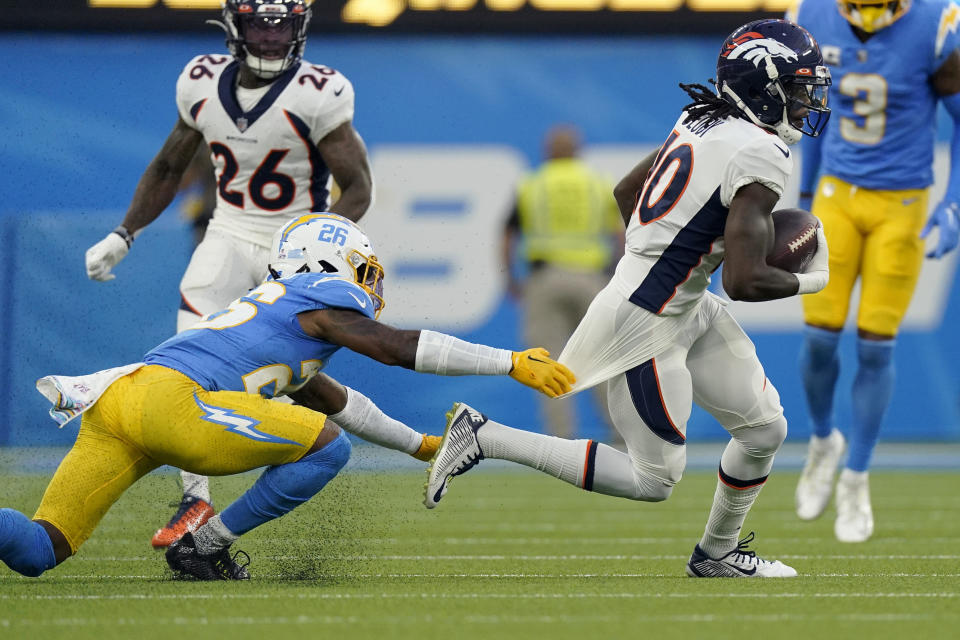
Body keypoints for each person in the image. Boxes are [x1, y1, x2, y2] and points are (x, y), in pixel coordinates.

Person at [425, 19, 832, 578]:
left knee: (765, 429)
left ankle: (717, 554)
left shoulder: (701, 117)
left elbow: (626, 190)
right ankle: (486, 436)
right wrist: (814, 278)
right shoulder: (760, 153)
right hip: (650, 316)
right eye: (798, 87)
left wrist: (664, 253)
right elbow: (745, 282)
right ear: (763, 84)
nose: (807, 102)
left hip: (676, 298)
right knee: (654, 479)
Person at [0, 213, 573, 580]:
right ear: (334, 264)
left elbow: (340, 400)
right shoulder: (318, 292)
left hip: (121, 400)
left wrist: (422, 446)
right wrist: (509, 361)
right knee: (327, 449)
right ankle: (203, 548)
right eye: (364, 270)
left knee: (37, 549)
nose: (370, 284)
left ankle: (199, 545)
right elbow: (394, 347)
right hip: (177, 404)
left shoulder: (274, 316)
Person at [83, 0, 374, 547]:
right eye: (259, 24)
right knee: (187, 353)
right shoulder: (200, 81)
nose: (270, 37)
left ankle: (420, 445)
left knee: (303, 384)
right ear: (234, 28)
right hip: (228, 230)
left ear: (300, 28)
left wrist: (318, 246)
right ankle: (196, 501)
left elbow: (358, 186)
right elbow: (170, 165)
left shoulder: (319, 91)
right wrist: (124, 234)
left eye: (282, 24)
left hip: (294, 242)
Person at [788, 0, 960, 543]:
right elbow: (815, 116)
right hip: (839, 196)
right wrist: (807, 197)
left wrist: (955, 201)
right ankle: (822, 443)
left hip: (901, 204)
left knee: (876, 347)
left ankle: (857, 478)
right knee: (819, 340)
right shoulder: (813, 14)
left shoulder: (936, 25)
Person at [502, 125, 624, 440]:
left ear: (548, 152)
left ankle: (561, 441)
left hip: (544, 279)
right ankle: (622, 437)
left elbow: (508, 234)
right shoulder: (596, 183)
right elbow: (620, 233)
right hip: (591, 279)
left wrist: (510, 279)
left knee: (545, 363)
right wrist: (614, 274)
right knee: (602, 361)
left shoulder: (533, 184)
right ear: (578, 151)